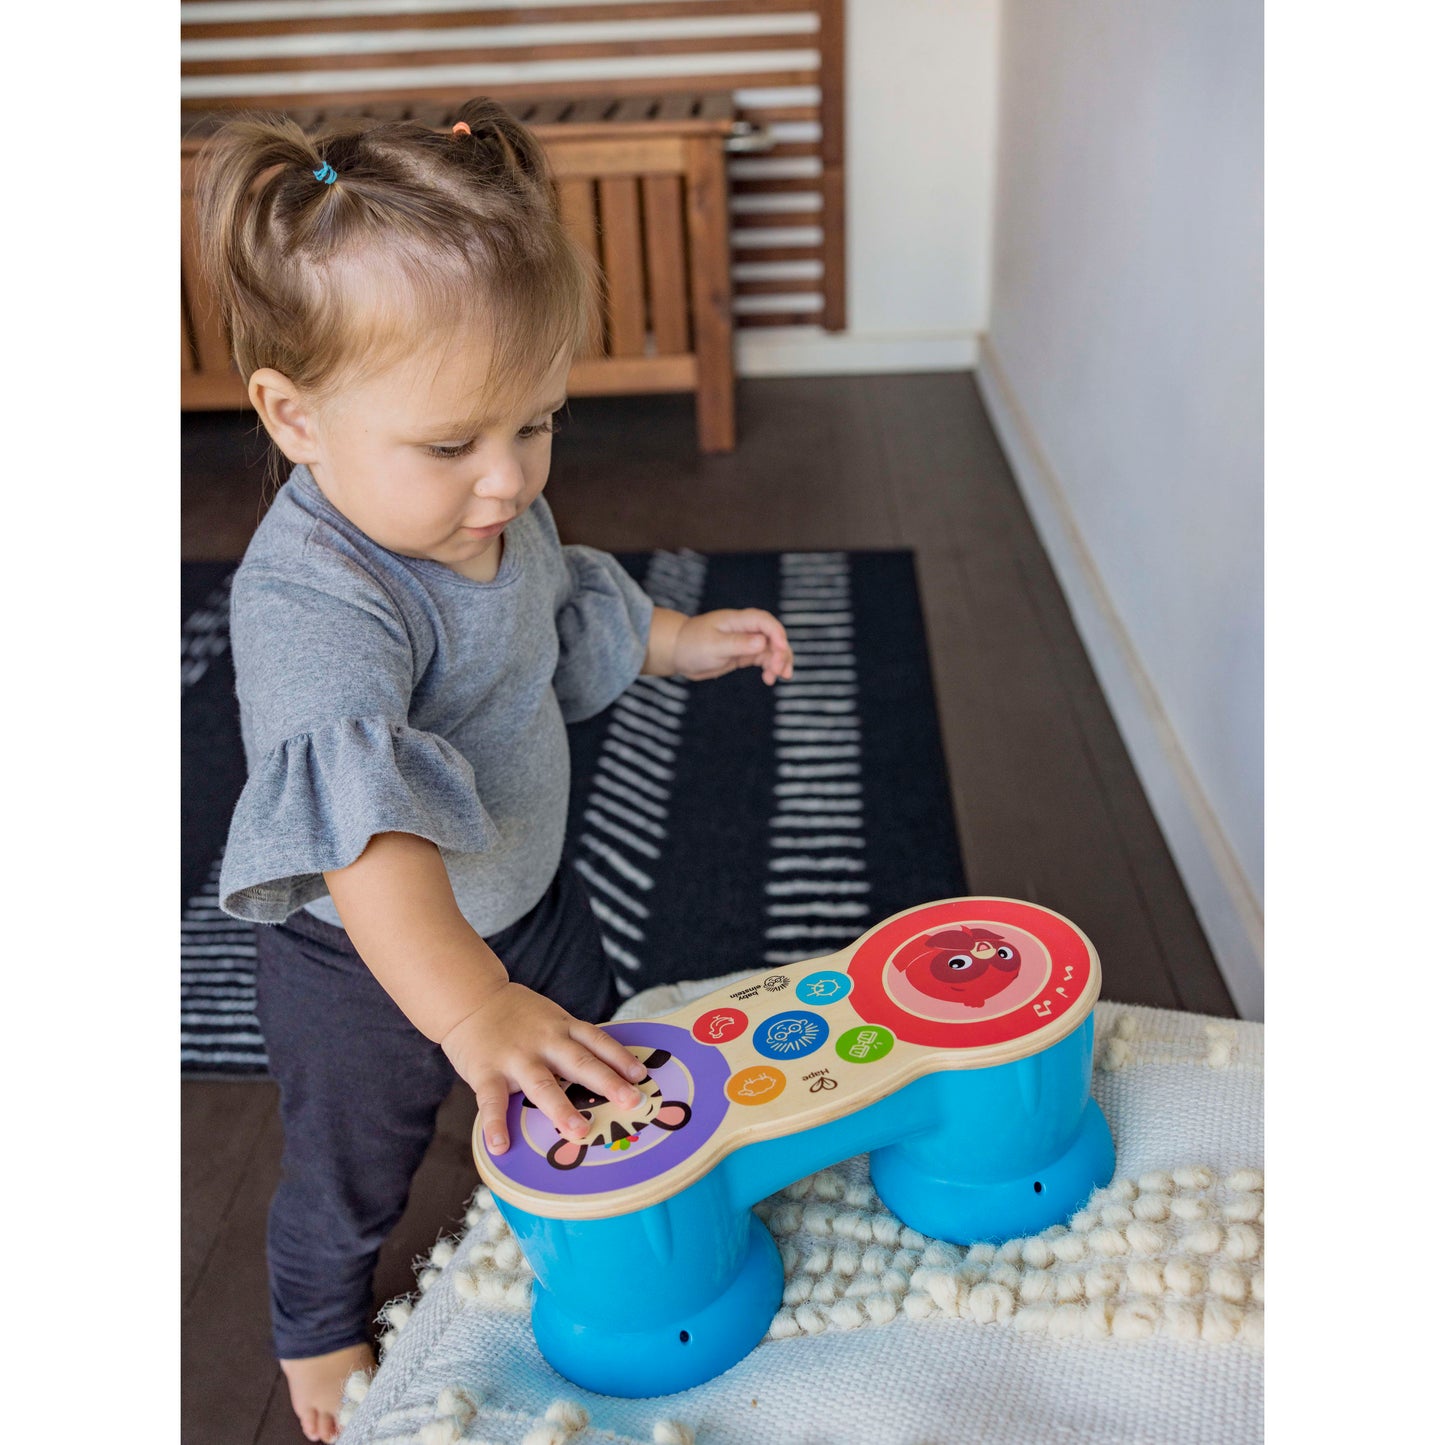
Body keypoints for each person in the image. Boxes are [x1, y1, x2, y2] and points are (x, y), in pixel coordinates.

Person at [197, 98, 793, 1443]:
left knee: (595, 1061)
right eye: (453, 441)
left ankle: (591, 1210)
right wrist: (470, 1014)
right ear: (295, 417)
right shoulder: (317, 606)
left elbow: (553, 605)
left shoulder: (487, 504)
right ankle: (317, 1335)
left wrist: (676, 636)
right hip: (371, 959)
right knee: (354, 1167)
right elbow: (368, 843)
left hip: (523, 896)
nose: (508, 477)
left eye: (537, 422)